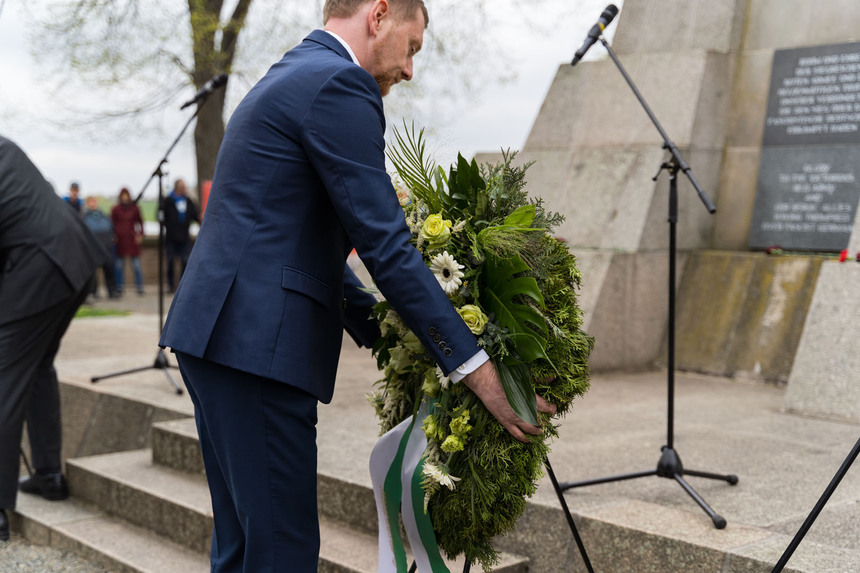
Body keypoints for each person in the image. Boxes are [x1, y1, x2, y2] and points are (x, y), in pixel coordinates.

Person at [159, 1, 554, 569]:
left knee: (245, 547)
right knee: (282, 554)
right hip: (257, 352)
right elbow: (386, 247)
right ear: (380, 14)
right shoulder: (339, 83)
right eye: (412, 47)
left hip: (220, 338)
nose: (410, 70)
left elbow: (292, 246)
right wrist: (476, 367)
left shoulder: (294, 72)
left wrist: (394, 338)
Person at [0, 135, 109, 542]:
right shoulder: (5, 146)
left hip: (38, 261)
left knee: (4, 376)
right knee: (37, 364)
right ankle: (48, 475)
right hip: (76, 254)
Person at [162, 178, 200, 292]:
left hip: (184, 237)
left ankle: (183, 286)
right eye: (183, 187)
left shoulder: (188, 201)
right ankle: (170, 285)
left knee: (185, 261)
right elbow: (162, 217)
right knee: (170, 261)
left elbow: (195, 215)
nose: (185, 189)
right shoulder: (168, 201)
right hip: (171, 237)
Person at [83, 195, 119, 299]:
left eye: (95, 202)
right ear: (87, 204)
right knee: (93, 273)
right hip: (93, 248)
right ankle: (94, 292)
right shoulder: (84, 217)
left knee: (109, 269)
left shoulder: (104, 216)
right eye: (91, 202)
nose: (93, 204)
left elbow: (111, 228)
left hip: (107, 247)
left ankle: (112, 291)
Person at [111, 187, 144, 296]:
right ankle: (119, 286)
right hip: (120, 240)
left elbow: (140, 222)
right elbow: (111, 223)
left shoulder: (134, 208)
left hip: (132, 238)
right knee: (119, 265)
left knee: (136, 265)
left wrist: (140, 235)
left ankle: (139, 286)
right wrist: (113, 235)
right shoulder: (116, 209)